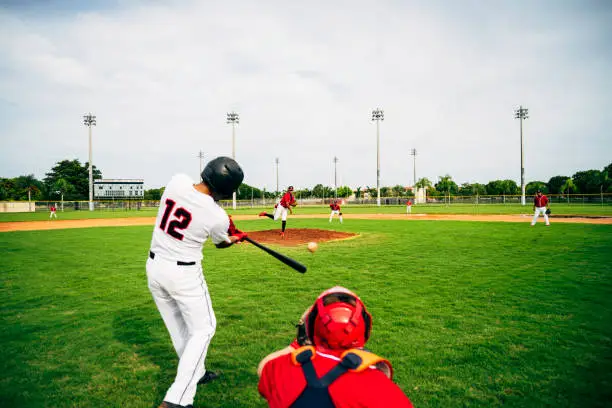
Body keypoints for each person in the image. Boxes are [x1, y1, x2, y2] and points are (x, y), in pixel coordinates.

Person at [147, 156, 248, 408]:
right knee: (204, 328)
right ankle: (176, 400)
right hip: (184, 275)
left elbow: (198, 201)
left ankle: (197, 372)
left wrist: (226, 227)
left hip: (155, 267)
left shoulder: (176, 182)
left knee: (180, 328)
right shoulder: (217, 216)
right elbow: (221, 242)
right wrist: (235, 238)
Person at [258, 286, 414, 408]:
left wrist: (299, 341)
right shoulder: (378, 385)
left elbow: (263, 370)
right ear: (364, 327)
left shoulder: (279, 368)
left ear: (311, 326)